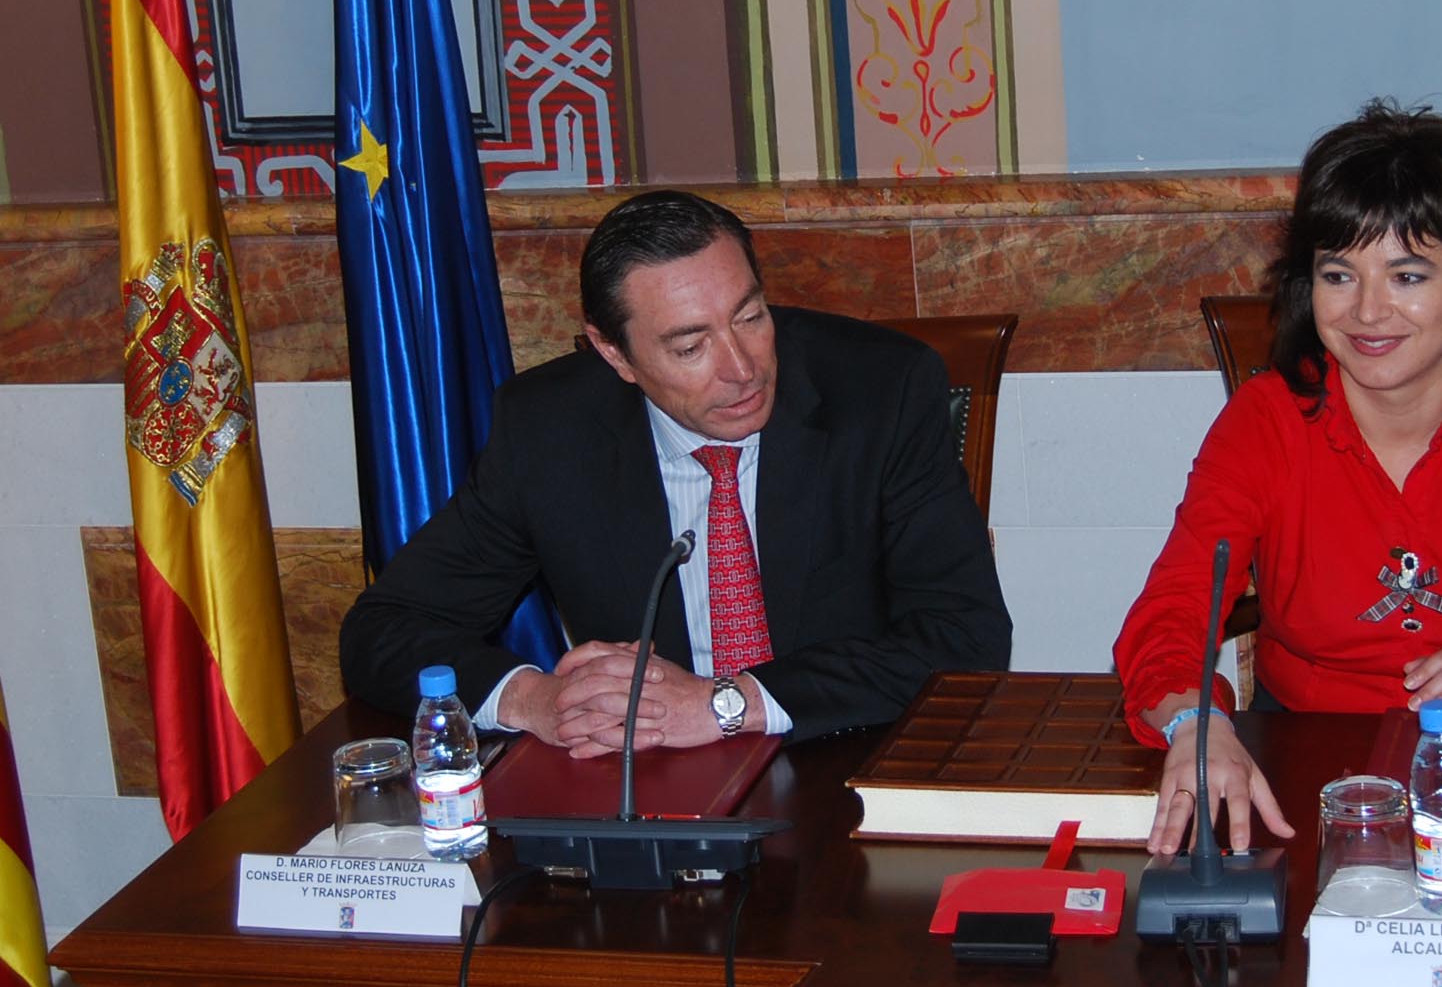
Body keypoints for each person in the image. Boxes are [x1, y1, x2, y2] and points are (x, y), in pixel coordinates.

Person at [1115, 102, 1442, 852]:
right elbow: (1170, 612)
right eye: (1339, 274)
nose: (1368, 311)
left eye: (1407, 275)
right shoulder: (1265, 422)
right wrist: (1195, 724)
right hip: (1304, 759)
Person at [340, 190, 1012, 753]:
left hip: (844, 757)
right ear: (615, 354)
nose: (742, 368)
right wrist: (537, 700)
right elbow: (385, 629)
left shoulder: (881, 392)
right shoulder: (549, 431)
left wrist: (727, 703)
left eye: (750, 317)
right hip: (647, 785)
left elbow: (965, 637)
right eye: (690, 346)